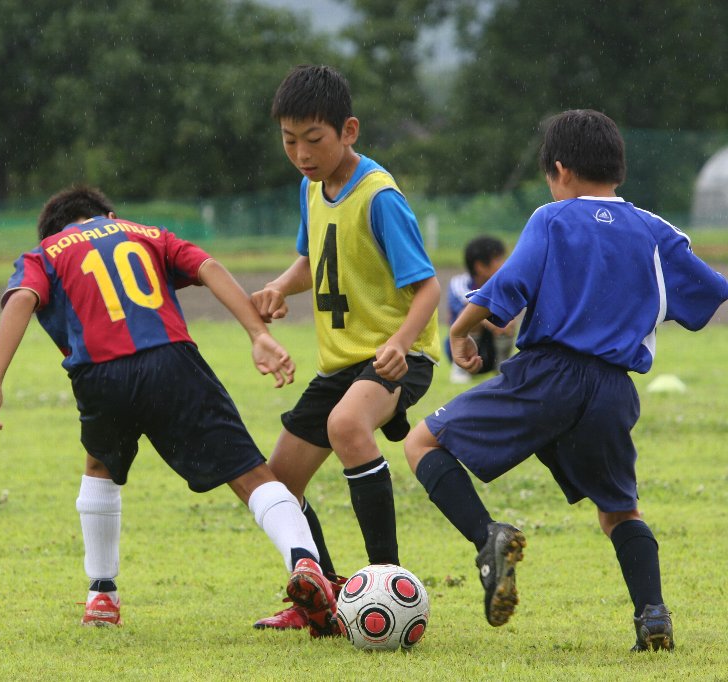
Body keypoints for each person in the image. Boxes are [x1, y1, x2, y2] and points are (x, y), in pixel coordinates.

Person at [404, 109, 728, 651]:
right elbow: (709, 291)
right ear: (618, 167)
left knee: (421, 442)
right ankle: (652, 614)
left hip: (547, 376)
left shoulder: (552, 219)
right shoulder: (656, 231)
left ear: (559, 170)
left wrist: (460, 329)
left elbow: (508, 285)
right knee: (619, 510)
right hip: (612, 390)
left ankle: (488, 539)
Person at [0, 185, 338, 633]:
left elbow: (22, 299)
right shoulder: (147, 233)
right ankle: (304, 561)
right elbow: (208, 267)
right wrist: (257, 334)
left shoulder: (46, 252)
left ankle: (101, 594)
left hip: (100, 373)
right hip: (172, 360)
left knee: (100, 467)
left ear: (53, 231)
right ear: (109, 215)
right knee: (249, 472)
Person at [250, 65, 441, 635]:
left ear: (348, 131)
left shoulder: (379, 197)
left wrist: (400, 343)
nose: (301, 154)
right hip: (341, 363)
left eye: (314, 139)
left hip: (399, 357)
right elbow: (315, 258)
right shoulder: (311, 188)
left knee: (346, 425)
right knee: (278, 484)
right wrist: (280, 286)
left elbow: (429, 287)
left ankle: (389, 584)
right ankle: (325, 597)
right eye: (290, 141)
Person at [446, 236, 515, 383]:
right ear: (480, 266)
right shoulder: (459, 283)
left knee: (509, 319)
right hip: (460, 348)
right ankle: (461, 369)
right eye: (499, 259)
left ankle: (502, 368)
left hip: (493, 349)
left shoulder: (503, 285)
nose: (505, 263)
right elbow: (469, 308)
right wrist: (494, 325)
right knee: (472, 316)